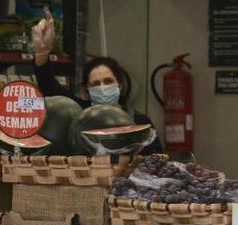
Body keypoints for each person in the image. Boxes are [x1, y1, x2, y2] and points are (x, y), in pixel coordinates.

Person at [32, 15, 164, 154]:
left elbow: (155, 160)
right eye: (95, 84)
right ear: (86, 91)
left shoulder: (140, 120)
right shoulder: (79, 114)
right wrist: (42, 52)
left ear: (119, 84)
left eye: (108, 81)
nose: (102, 87)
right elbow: (50, 87)